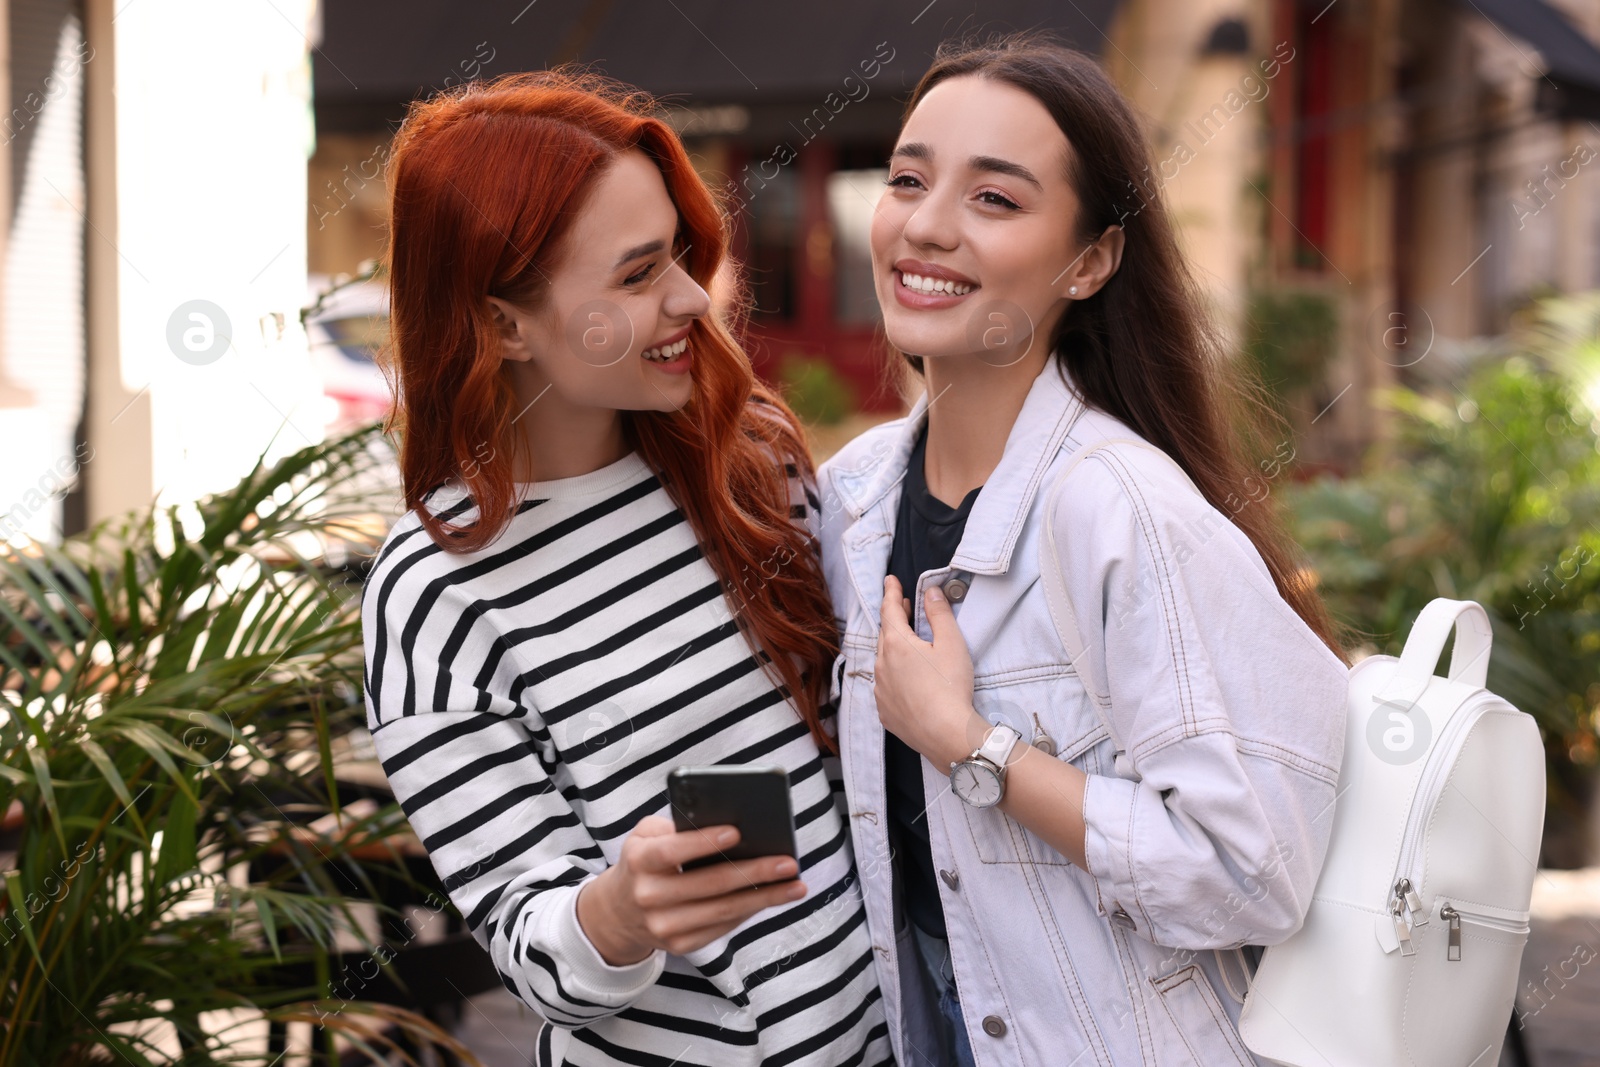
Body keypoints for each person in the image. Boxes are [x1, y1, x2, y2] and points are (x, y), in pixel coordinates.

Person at [816, 34, 1350, 1067]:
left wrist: (970, 743)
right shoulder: (855, 498)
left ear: (1091, 260)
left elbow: (1248, 871)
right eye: (907, 181)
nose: (924, 227)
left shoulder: (1121, 512)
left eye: (994, 201)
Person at [362, 70, 891, 1067]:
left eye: (683, 255)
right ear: (504, 323)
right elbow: (528, 942)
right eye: (639, 272)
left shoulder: (753, 462)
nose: (694, 296)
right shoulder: (435, 590)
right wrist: (618, 911)